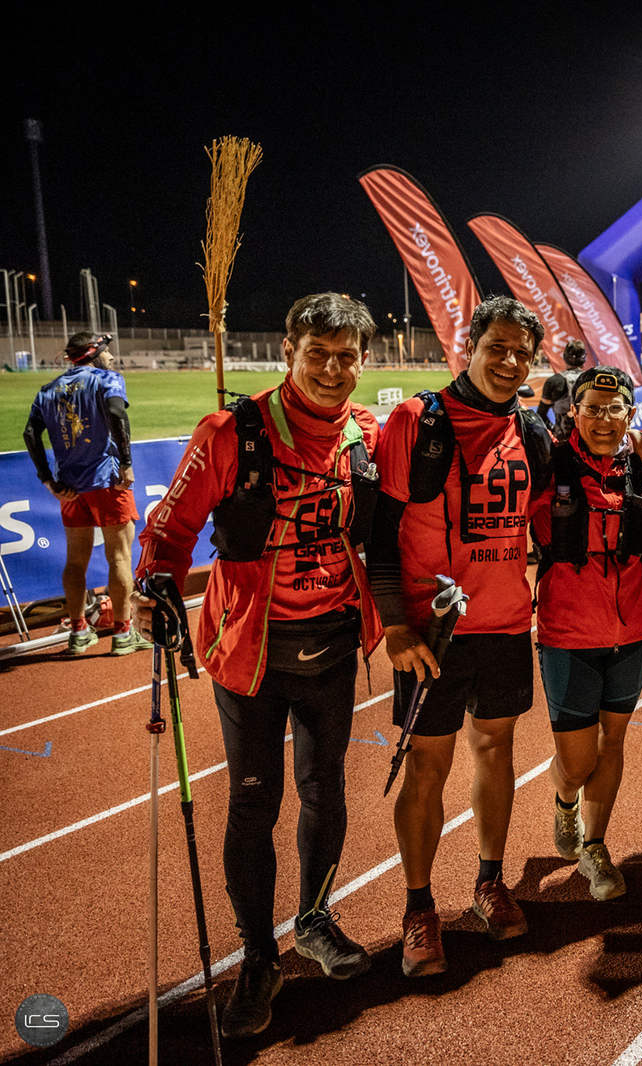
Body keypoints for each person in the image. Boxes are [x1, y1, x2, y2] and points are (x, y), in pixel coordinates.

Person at [134, 293, 382, 1037]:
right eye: (318, 354)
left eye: (346, 357)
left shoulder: (366, 434)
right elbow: (169, 529)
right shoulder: (230, 432)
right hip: (251, 648)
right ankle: (258, 956)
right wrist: (154, 585)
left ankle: (314, 920)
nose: (332, 370)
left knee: (325, 789)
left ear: (363, 361)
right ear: (287, 352)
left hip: (333, 642)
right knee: (253, 802)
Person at [368, 297, 552, 976]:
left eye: (522, 353)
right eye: (496, 347)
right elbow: (379, 531)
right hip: (433, 633)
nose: (509, 362)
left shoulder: (531, 430)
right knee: (427, 767)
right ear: (467, 346)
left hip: (505, 625)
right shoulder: (417, 421)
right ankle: (419, 908)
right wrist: (394, 624)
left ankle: (489, 882)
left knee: (497, 751)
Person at [531, 366, 642, 900]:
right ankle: (566, 802)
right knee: (577, 762)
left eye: (615, 409)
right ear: (574, 413)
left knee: (614, 742)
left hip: (635, 629)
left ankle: (595, 846)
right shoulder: (548, 466)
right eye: (593, 408)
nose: (604, 419)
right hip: (568, 632)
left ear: (630, 414)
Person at [22, 331, 151, 656]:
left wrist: (48, 480)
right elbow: (117, 413)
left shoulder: (48, 390)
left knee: (75, 561)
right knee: (119, 557)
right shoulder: (107, 379)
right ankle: (123, 633)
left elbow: (30, 433)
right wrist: (127, 463)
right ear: (93, 354)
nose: (111, 356)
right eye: (106, 350)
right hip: (108, 482)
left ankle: (79, 631)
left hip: (70, 488)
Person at [539, 339, 589, 427]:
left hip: (562, 433)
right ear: (584, 358)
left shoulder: (553, 381)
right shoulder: (592, 379)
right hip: (587, 433)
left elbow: (541, 414)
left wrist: (552, 428)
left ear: (565, 357)